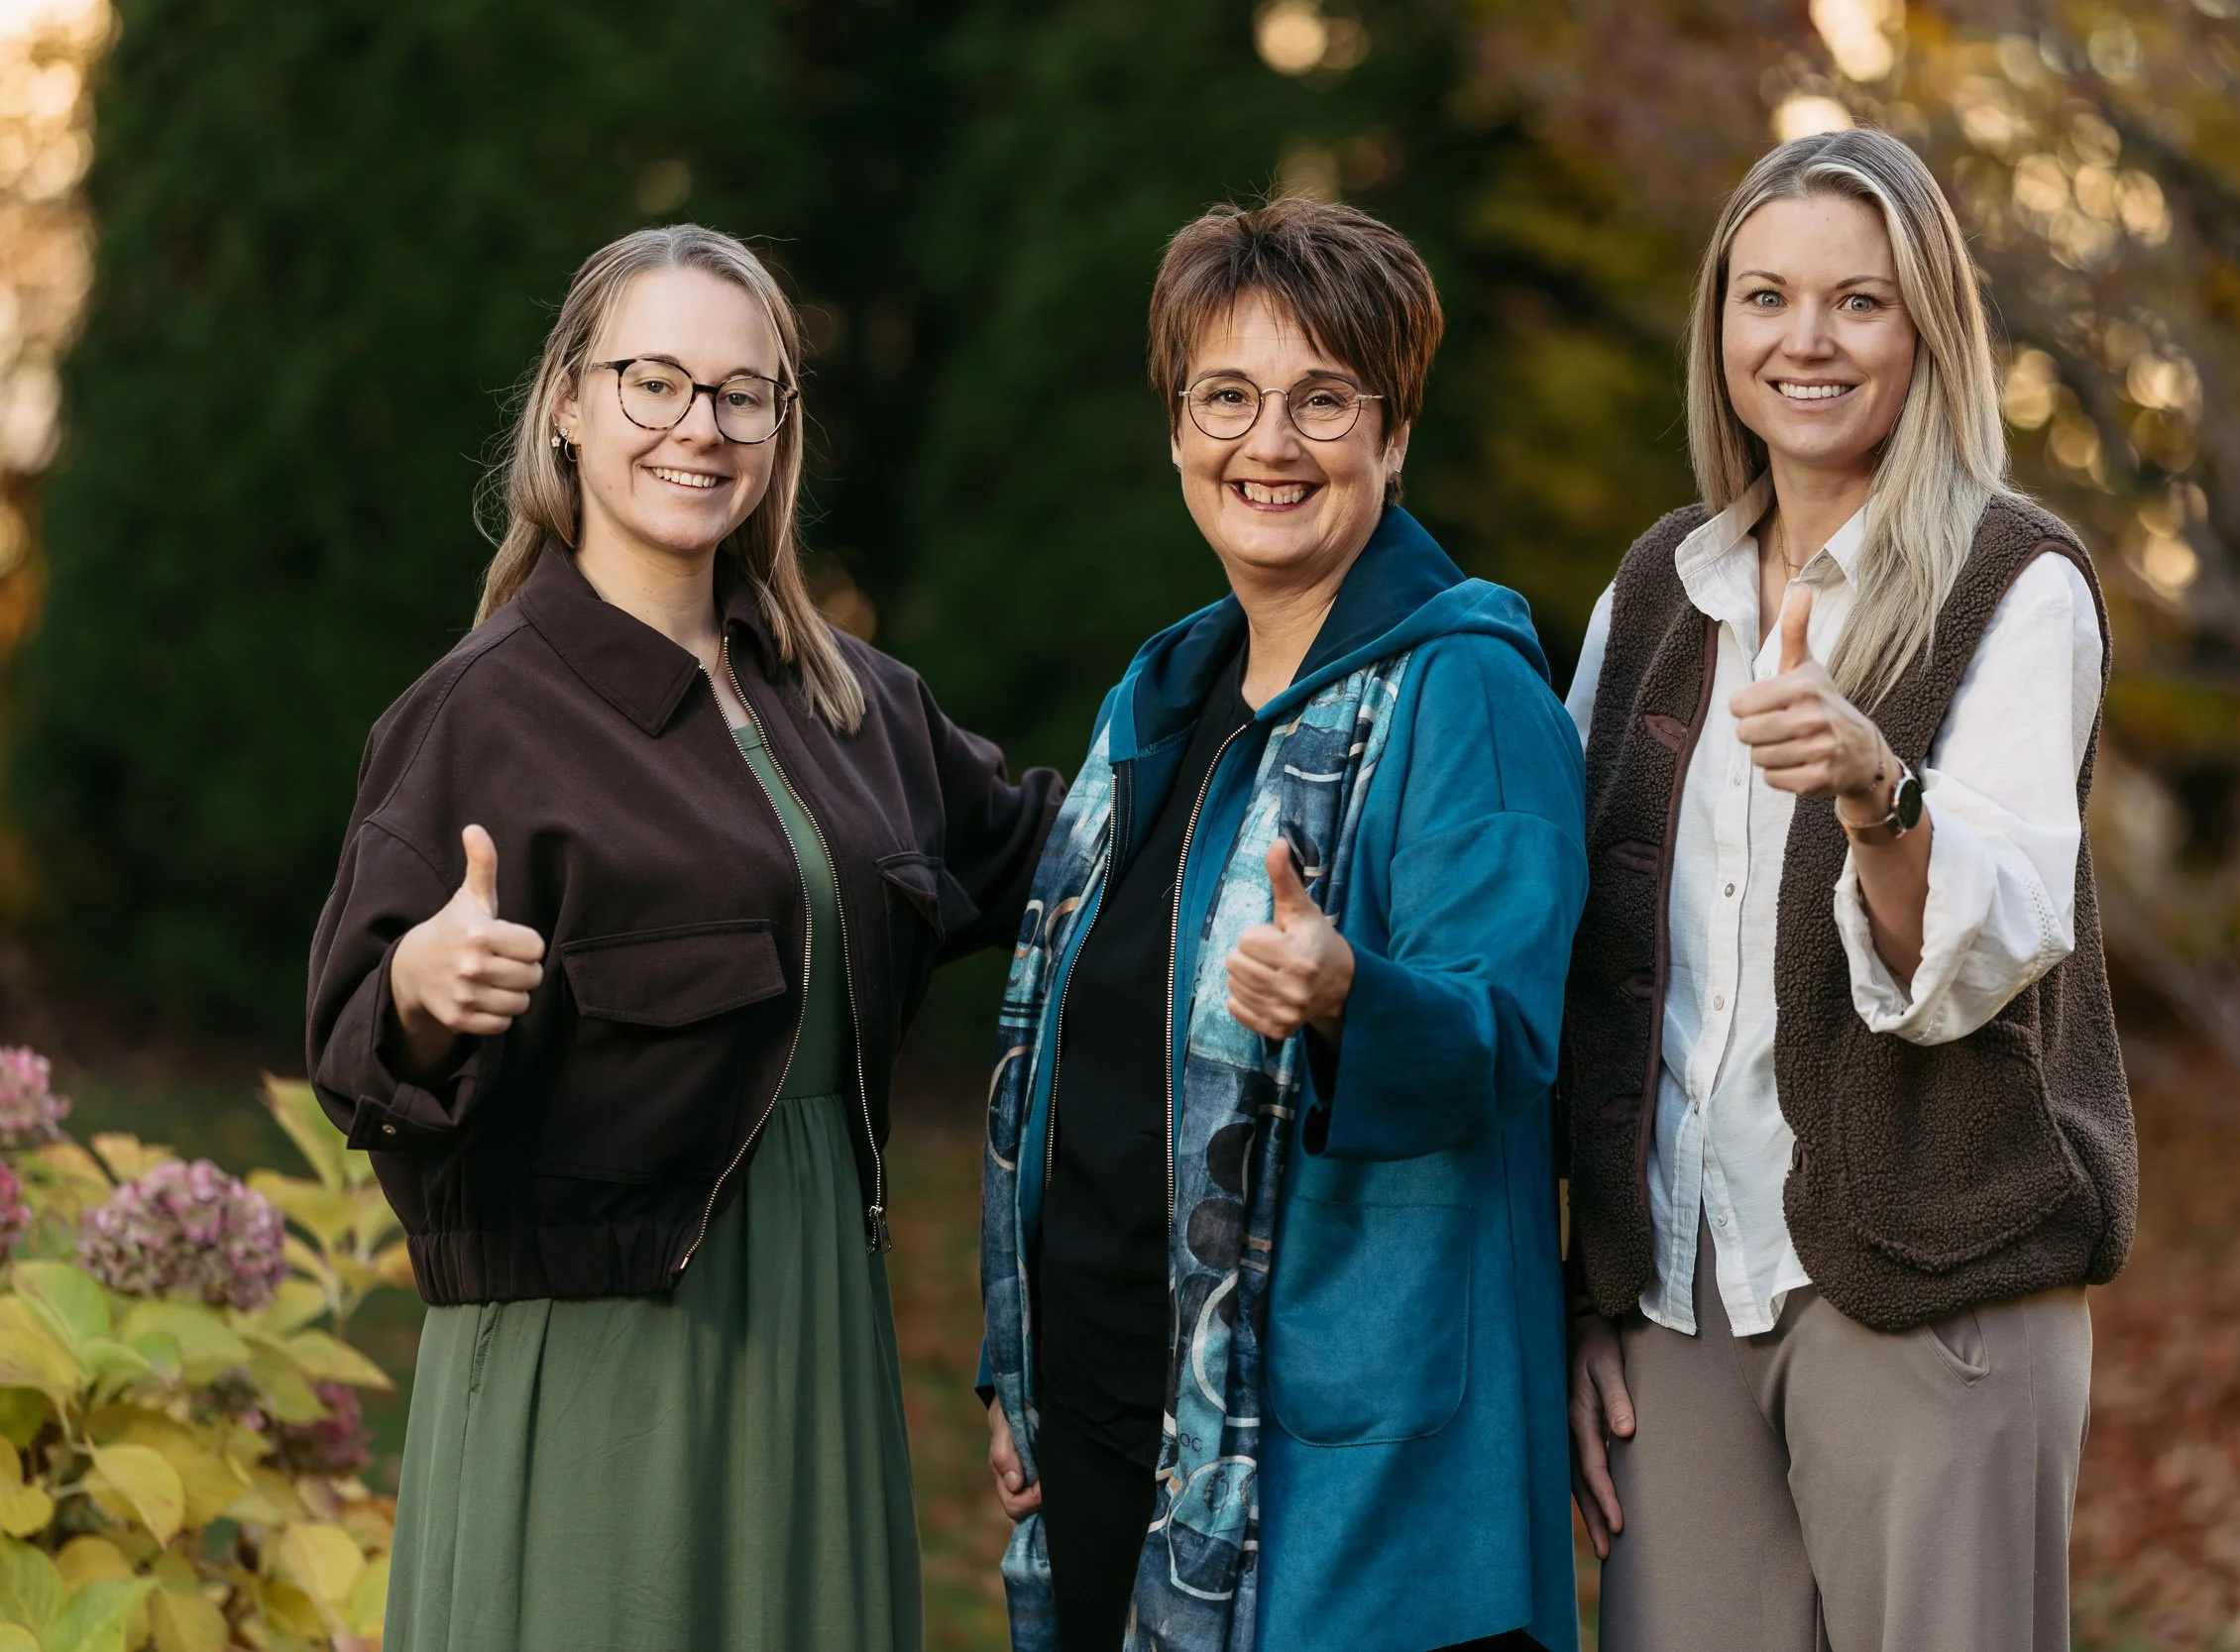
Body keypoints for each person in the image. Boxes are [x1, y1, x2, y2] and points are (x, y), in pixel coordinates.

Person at [304, 224, 1060, 1652]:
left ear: (781, 426)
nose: (696, 428)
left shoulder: (853, 703)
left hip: (815, 1331)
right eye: (653, 382)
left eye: (741, 392)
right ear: (570, 409)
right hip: (597, 1365)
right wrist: (420, 985)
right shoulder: (478, 714)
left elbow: (1058, 860)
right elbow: (355, 1041)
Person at [978, 197, 1586, 1652]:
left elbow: (1505, 1037)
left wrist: (1347, 994)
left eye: (1323, 400)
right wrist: (1027, 1367)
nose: (1270, 443)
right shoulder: (1164, 700)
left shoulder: (1469, 695)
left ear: (1395, 434)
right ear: (1177, 429)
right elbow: (1081, 1068)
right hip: (1126, 1434)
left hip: (1351, 1478)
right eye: (1227, 398)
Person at [1561, 128, 2136, 1652]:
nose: (1804, 340)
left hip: (1935, 1282)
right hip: (1677, 1301)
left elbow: (1990, 946)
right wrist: (1580, 1284)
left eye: (1857, 302)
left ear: (1927, 329)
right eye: (1766, 298)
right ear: (1721, 330)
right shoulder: (1657, 590)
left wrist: (1881, 794)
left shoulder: (2017, 583)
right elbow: (1575, 947)